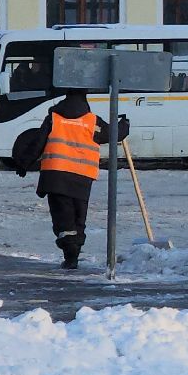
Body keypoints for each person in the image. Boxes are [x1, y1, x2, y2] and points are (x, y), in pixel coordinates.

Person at [15, 90, 126, 270]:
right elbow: (114, 134)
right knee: (79, 217)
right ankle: (74, 252)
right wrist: (124, 125)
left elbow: (38, 143)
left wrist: (23, 164)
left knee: (63, 217)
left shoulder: (54, 119)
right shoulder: (92, 121)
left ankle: (70, 255)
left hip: (56, 176)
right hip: (82, 178)